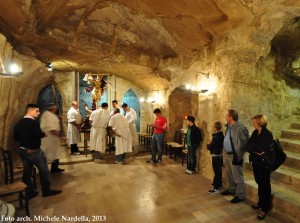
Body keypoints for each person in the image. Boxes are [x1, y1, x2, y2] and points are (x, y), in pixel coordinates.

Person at [14, 104, 62, 198]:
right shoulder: (33, 123)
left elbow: (15, 137)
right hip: (34, 151)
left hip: (23, 150)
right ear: (30, 111)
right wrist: (44, 134)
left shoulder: (19, 123)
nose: (39, 113)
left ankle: (29, 191)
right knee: (44, 170)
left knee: (27, 172)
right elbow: (39, 134)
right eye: (37, 111)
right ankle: (46, 190)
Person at [246, 114, 273, 220]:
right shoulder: (255, 132)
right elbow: (248, 145)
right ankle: (261, 202)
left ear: (259, 122)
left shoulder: (267, 134)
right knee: (259, 182)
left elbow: (262, 148)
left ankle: (265, 208)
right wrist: (255, 149)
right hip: (256, 162)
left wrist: (254, 148)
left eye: (254, 122)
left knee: (265, 184)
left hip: (264, 164)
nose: (253, 124)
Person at [221, 109, 249, 203]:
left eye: (226, 115)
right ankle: (232, 189)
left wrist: (239, 155)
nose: (225, 117)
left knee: (238, 176)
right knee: (229, 174)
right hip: (227, 154)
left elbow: (245, 143)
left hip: (235, 156)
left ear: (231, 117)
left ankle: (240, 195)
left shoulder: (241, 128)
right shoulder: (229, 126)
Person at [40, 103, 65, 173]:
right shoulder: (48, 115)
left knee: (55, 153)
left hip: (53, 139)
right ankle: (44, 169)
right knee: (48, 153)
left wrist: (58, 119)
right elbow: (52, 129)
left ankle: (54, 168)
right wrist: (60, 137)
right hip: (49, 139)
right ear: (53, 109)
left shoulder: (49, 114)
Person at [207, 120, 224, 193]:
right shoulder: (219, 135)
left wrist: (208, 145)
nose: (212, 127)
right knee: (218, 171)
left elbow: (210, 146)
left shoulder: (217, 136)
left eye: (213, 126)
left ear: (216, 128)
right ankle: (218, 183)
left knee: (217, 171)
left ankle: (216, 187)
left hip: (216, 155)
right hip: (218, 155)